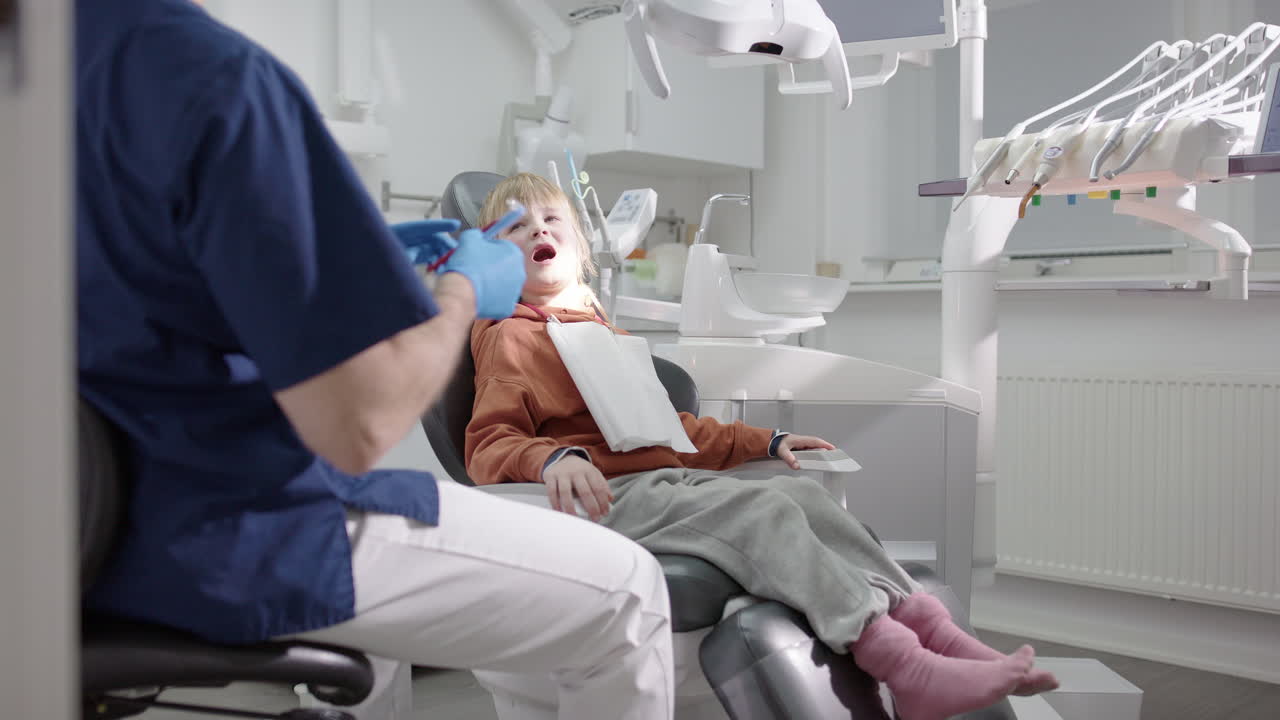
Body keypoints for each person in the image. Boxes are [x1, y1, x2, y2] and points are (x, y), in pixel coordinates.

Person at [75, 2, 674, 719]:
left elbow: (135, 277)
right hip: (219, 532)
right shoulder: (214, 78)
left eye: (554, 222)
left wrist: (356, 252)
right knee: (630, 593)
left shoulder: (53, 67)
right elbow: (359, 424)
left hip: (66, 527)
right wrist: (460, 293)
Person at [466, 173, 1060, 720]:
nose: (538, 229)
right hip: (605, 497)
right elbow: (489, 442)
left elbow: (676, 432)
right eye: (517, 227)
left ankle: (932, 630)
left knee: (802, 495)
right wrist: (552, 456)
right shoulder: (510, 340)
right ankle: (900, 664)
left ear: (579, 244)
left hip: (663, 485)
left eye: (551, 219)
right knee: (765, 511)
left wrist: (765, 441)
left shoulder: (599, 333)